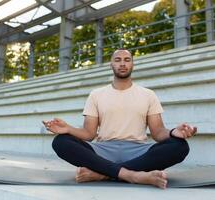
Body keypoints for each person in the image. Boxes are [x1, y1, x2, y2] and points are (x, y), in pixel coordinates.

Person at [43, 49, 197, 189]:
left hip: (138, 151)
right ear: (111, 64)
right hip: (103, 151)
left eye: (127, 60)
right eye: (117, 60)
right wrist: (67, 129)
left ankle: (102, 174)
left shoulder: (148, 94)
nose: (122, 63)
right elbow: (89, 134)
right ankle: (134, 175)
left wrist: (174, 132)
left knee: (180, 146)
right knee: (60, 141)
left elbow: (158, 133)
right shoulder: (96, 94)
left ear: (132, 64)